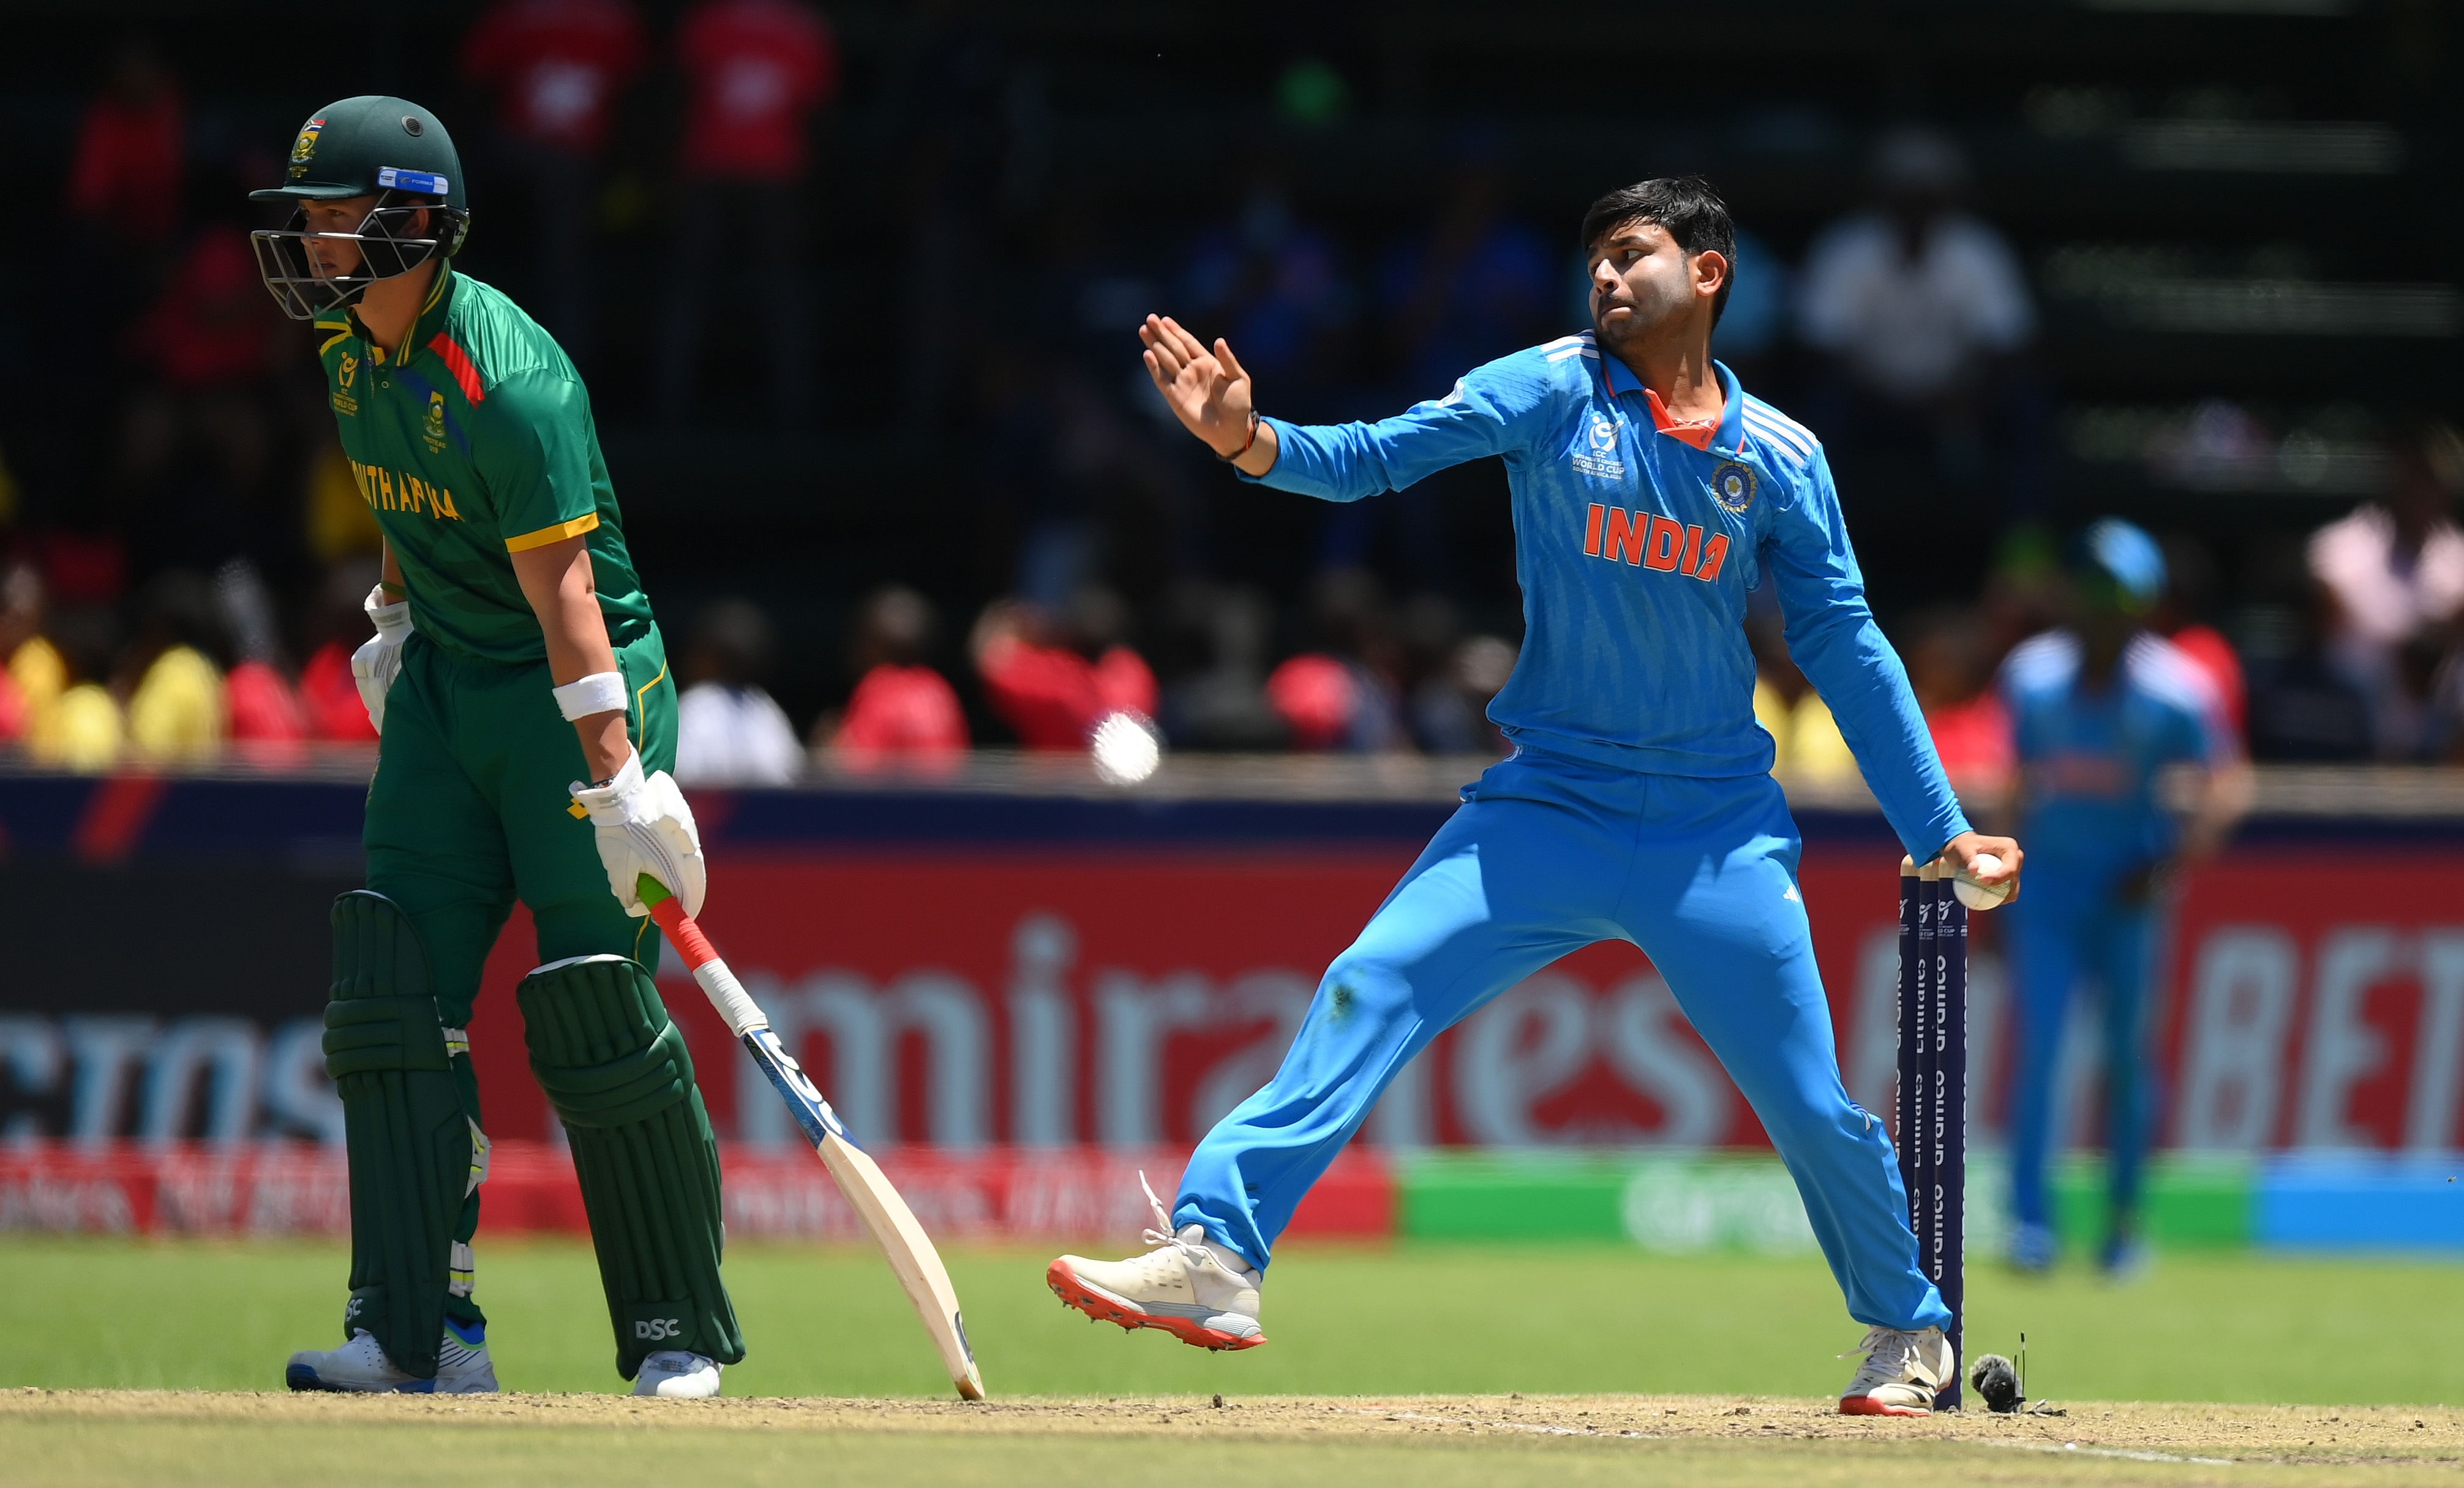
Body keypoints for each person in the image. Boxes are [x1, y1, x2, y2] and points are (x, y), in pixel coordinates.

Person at [1048, 178, 2023, 1416]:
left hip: (1714, 834)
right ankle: (1217, 1254)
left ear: (1707, 273)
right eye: (1594, 259)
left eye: (1631, 253)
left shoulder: (1780, 455)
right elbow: (1372, 460)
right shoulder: (1549, 389)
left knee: (1810, 1107)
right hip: (1546, 808)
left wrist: (1940, 830)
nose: (1604, 276)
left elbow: (1845, 643)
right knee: (1368, 983)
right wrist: (1251, 442)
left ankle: (1907, 1336)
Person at [249, 96, 740, 1397]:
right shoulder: (349, 349)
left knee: (593, 1005)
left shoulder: (512, 379)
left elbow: (567, 598)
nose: (309, 241)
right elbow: (410, 501)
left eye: (334, 217)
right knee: (391, 989)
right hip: (447, 683)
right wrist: (393, 616)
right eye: (305, 217)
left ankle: (674, 1335)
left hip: (571, 695)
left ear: (414, 227)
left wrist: (619, 779)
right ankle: (418, 1337)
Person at [1997, 520, 2247, 1277]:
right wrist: (2001, 884)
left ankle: (2124, 1224)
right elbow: (2018, 786)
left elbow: (2226, 786)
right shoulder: (2032, 678)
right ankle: (2029, 1224)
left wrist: (2170, 860)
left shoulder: (2176, 690)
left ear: (2140, 605)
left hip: (2128, 894)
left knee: (2128, 1060)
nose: (2099, 612)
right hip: (2048, 890)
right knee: (2040, 1049)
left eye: (2114, 598)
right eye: (2088, 593)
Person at [674, 598, 803, 785]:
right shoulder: (766, 708)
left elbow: (680, 777)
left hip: (714, 805)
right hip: (743, 804)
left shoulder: (697, 705)